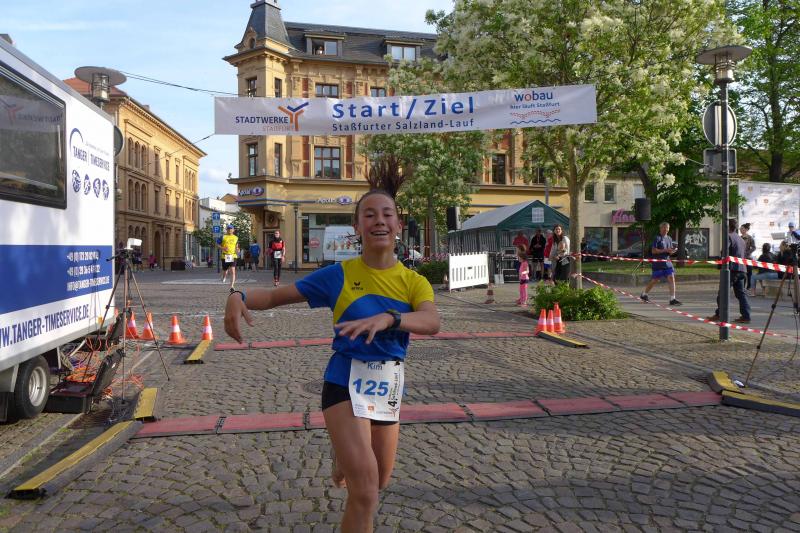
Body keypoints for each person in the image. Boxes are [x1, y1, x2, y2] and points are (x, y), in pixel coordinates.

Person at [223, 190, 440, 531]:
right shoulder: (338, 275)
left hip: (387, 388)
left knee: (380, 479)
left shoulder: (414, 282)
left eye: (387, 214)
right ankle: (348, 447)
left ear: (399, 224)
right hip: (344, 383)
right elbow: (276, 296)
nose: (379, 221)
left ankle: (342, 454)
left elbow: (431, 321)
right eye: (369, 215)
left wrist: (390, 318)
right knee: (365, 492)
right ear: (357, 226)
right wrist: (238, 295)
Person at [707, 219, 751, 323]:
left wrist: (720, 261)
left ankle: (719, 314)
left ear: (727, 227)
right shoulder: (741, 239)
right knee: (741, 294)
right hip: (742, 269)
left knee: (722, 293)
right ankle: (746, 316)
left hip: (731, 270)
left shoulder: (728, 237)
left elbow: (725, 252)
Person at [639, 222, 681, 306]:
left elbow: (669, 251)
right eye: (664, 228)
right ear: (660, 229)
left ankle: (672, 299)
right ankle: (644, 294)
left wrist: (672, 251)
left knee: (671, 278)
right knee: (655, 280)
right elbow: (653, 251)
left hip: (667, 263)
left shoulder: (669, 238)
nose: (666, 230)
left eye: (667, 228)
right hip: (658, 263)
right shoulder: (657, 238)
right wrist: (665, 250)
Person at [217, 224, 238, 289]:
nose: (230, 230)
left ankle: (232, 286)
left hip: (233, 255)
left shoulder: (236, 237)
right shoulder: (223, 237)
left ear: (233, 230)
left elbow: (236, 246)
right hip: (225, 256)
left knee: (233, 270)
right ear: (226, 230)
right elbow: (217, 245)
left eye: (231, 229)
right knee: (225, 271)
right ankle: (224, 277)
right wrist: (223, 248)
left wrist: (237, 249)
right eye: (228, 229)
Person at [740, 223, 756, 292]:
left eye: (742, 229)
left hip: (748, 258)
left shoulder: (750, 238)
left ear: (746, 229)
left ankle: (749, 287)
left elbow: (754, 247)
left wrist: (747, 252)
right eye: (740, 229)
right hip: (741, 258)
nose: (741, 230)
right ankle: (742, 287)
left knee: (749, 274)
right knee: (743, 273)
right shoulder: (739, 238)